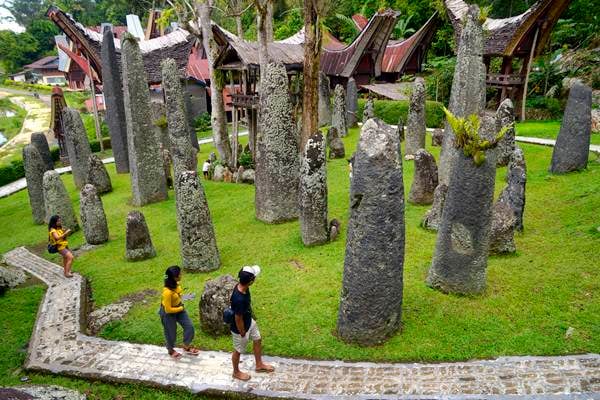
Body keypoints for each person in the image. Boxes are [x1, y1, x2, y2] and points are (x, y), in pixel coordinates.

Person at [230, 265, 274, 381]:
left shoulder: (244, 287)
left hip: (249, 321)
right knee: (238, 351)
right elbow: (237, 317)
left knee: (258, 339)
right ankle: (236, 372)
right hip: (240, 328)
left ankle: (259, 365)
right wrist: (242, 332)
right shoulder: (238, 299)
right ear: (250, 281)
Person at [159, 266, 200, 359]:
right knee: (171, 333)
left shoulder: (176, 284)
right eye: (180, 274)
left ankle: (186, 346)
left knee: (190, 327)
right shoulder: (167, 292)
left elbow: (178, 295)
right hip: (168, 313)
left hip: (179, 309)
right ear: (174, 277)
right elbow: (168, 309)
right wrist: (180, 308)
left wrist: (185, 297)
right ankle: (170, 350)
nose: (181, 275)